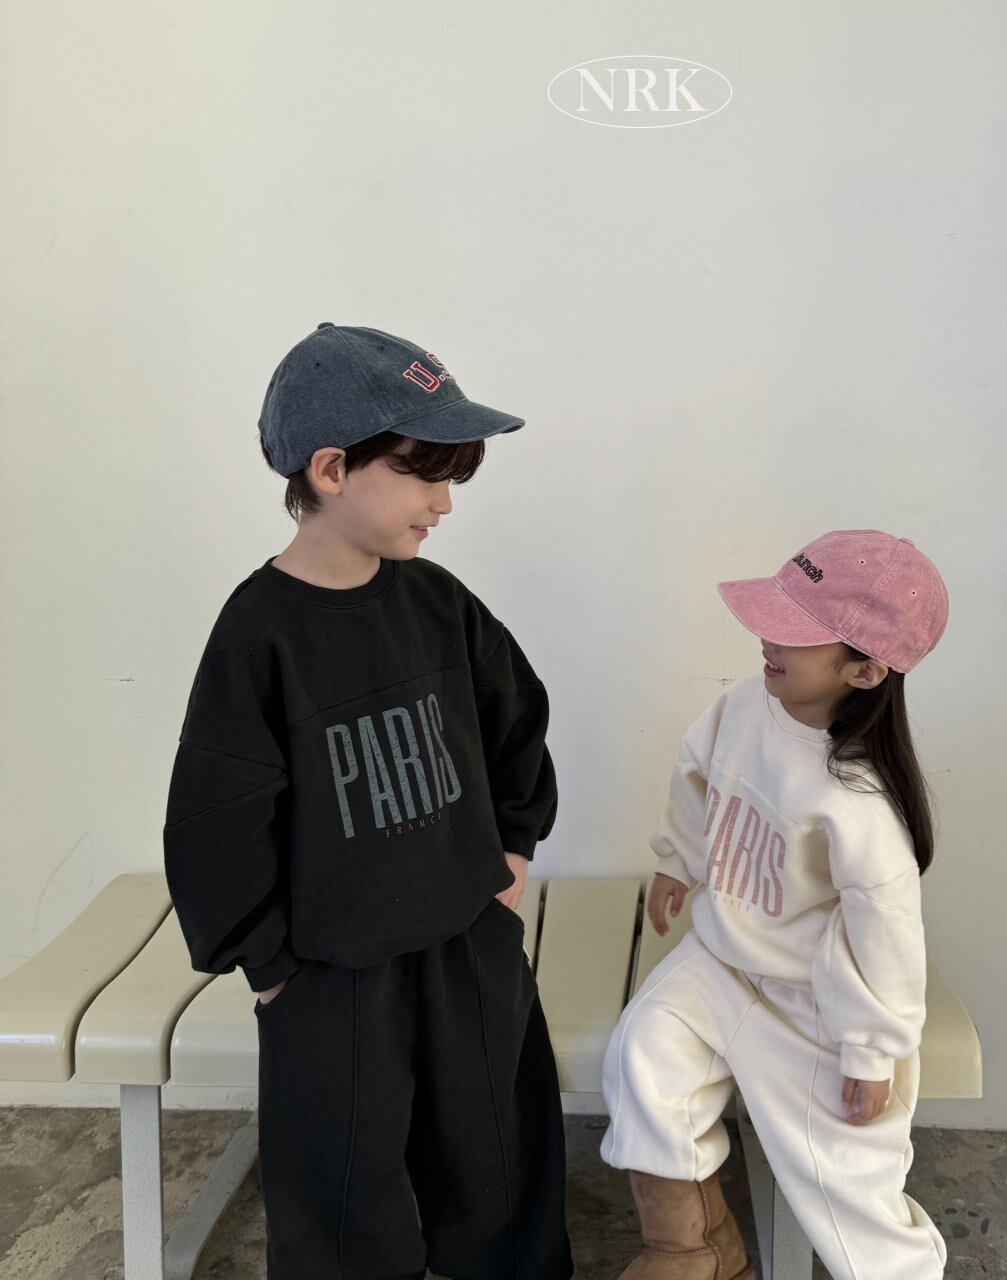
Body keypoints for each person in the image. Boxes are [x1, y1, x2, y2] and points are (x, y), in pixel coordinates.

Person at [162, 322, 574, 1280]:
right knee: (346, 1191)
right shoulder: (260, 635)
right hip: (333, 974)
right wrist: (270, 966)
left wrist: (513, 850)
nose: (444, 503)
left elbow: (517, 717)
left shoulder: (436, 603)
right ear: (334, 469)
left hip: (466, 944)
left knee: (496, 1156)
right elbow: (216, 818)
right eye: (426, 474)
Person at [600, 529, 951, 1280]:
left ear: (864, 669)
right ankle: (695, 1253)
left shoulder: (858, 803)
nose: (766, 637)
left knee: (847, 1183)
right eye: (771, 615)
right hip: (720, 959)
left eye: (793, 630)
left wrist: (871, 1050)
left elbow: (887, 941)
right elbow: (696, 775)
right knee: (643, 1055)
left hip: (813, 1002)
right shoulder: (743, 705)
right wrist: (678, 861)